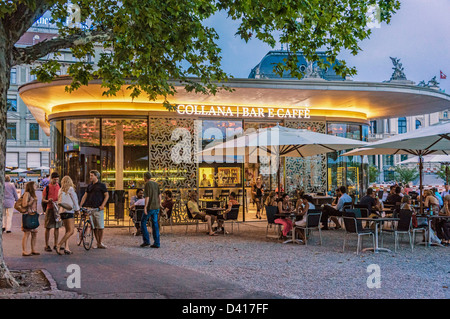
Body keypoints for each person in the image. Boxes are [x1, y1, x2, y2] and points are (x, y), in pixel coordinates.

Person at [80, 170, 109, 249]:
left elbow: (107, 195)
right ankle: (98, 242)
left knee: (100, 226)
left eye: (92, 175)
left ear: (96, 176)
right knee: (94, 227)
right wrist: (80, 205)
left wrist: (102, 205)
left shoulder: (101, 185)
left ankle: (100, 242)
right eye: (90, 175)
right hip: (90, 208)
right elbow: (85, 196)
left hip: (98, 208)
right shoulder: (89, 186)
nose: (90, 177)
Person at [56, 176, 80, 255]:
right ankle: (59, 245)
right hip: (69, 211)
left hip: (62, 212)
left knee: (67, 230)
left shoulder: (60, 190)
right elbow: (75, 200)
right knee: (71, 231)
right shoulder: (70, 189)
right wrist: (77, 210)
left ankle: (67, 248)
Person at [42, 172, 62, 252]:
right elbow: (43, 199)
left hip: (57, 209)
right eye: (54, 179)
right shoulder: (47, 188)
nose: (56, 181)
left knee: (57, 227)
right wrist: (48, 200)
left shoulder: (59, 186)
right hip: (50, 208)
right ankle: (46, 245)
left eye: (57, 179)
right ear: (51, 179)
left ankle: (56, 244)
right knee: (48, 227)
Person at [141, 172, 161, 248]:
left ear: (145, 177)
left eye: (144, 177)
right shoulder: (156, 184)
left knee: (143, 222)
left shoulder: (147, 184)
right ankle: (157, 242)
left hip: (150, 207)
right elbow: (159, 194)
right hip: (156, 207)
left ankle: (146, 241)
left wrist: (145, 207)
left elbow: (147, 197)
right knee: (155, 224)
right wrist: (159, 204)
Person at [21, 181, 40, 256]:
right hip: (28, 215)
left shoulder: (33, 194)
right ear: (31, 186)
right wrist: (31, 202)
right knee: (27, 232)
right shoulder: (27, 194)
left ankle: (33, 249)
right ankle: (24, 250)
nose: (36, 186)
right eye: (35, 185)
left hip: (33, 214)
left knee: (34, 232)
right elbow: (24, 204)